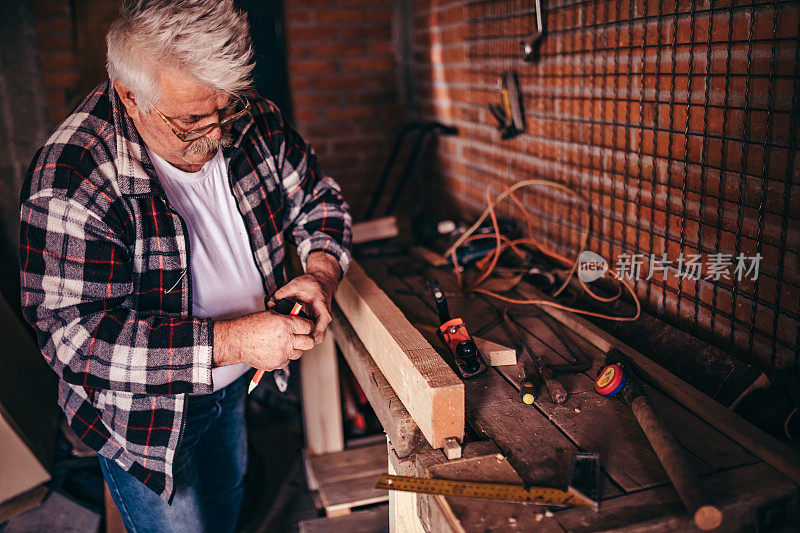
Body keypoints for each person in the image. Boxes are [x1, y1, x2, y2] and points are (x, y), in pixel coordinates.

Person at [19, 1, 351, 531]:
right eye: (194, 119)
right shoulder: (72, 176)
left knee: (227, 505)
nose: (218, 134)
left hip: (235, 391)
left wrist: (320, 273)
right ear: (131, 95)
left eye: (227, 108)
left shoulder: (249, 116)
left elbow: (319, 199)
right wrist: (235, 342)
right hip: (142, 421)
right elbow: (74, 339)